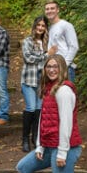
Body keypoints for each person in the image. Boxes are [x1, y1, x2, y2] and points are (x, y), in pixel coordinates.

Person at [15, 54, 83, 173]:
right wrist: (40, 145)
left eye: (55, 66)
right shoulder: (49, 88)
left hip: (64, 149)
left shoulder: (64, 90)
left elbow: (66, 124)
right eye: (48, 66)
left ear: (62, 69)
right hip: (49, 146)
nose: (51, 70)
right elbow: (44, 120)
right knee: (23, 168)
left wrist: (62, 153)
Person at [20, 16, 57, 152]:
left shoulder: (47, 43)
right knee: (30, 107)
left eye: (43, 26)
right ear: (34, 26)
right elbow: (28, 58)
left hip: (42, 81)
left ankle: (35, 138)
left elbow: (50, 62)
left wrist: (47, 56)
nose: (40, 28)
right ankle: (24, 138)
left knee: (38, 109)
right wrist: (46, 55)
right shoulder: (27, 41)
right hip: (29, 80)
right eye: (38, 25)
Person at [45, 0, 79, 82]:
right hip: (52, 69)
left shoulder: (65, 25)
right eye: (47, 9)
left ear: (58, 10)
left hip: (65, 69)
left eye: (52, 8)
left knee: (65, 93)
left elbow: (74, 47)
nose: (49, 11)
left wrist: (64, 65)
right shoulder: (49, 28)